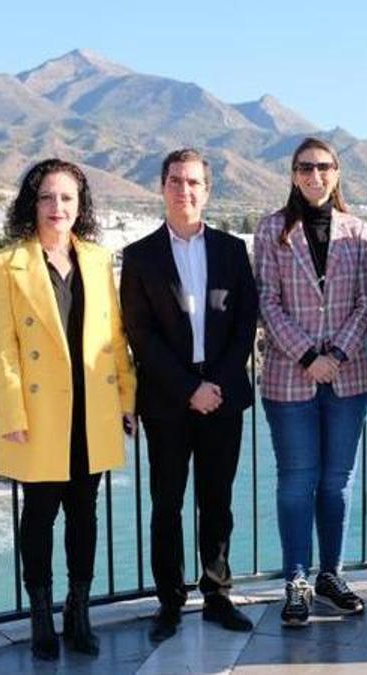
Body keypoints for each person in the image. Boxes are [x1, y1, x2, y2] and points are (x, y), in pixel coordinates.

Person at [0, 158, 136, 660]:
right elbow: (4, 348)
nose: (57, 207)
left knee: (84, 513)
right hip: (39, 413)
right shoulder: (7, 265)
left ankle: (79, 610)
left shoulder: (97, 259)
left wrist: (126, 399)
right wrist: (12, 417)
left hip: (92, 408)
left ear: (81, 205)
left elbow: (113, 337)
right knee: (39, 514)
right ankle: (41, 616)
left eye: (67, 198)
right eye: (47, 197)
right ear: (33, 203)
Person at [120, 148, 259, 642]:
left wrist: (214, 384)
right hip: (167, 399)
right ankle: (169, 601)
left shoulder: (231, 250)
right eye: (176, 181)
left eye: (194, 182)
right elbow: (141, 335)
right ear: (162, 187)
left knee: (217, 500)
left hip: (221, 394)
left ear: (208, 189)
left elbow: (246, 324)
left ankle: (218, 594)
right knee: (166, 502)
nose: (185, 190)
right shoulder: (139, 257)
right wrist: (188, 388)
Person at [254, 138, 367, 627]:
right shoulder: (271, 231)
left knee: (337, 482)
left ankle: (332, 575)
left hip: (349, 377)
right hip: (290, 377)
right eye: (305, 167)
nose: (315, 175)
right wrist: (308, 355)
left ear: (337, 173)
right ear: (293, 174)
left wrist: (337, 353)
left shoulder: (358, 231)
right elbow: (266, 300)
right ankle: (297, 581)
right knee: (296, 480)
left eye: (324, 167)